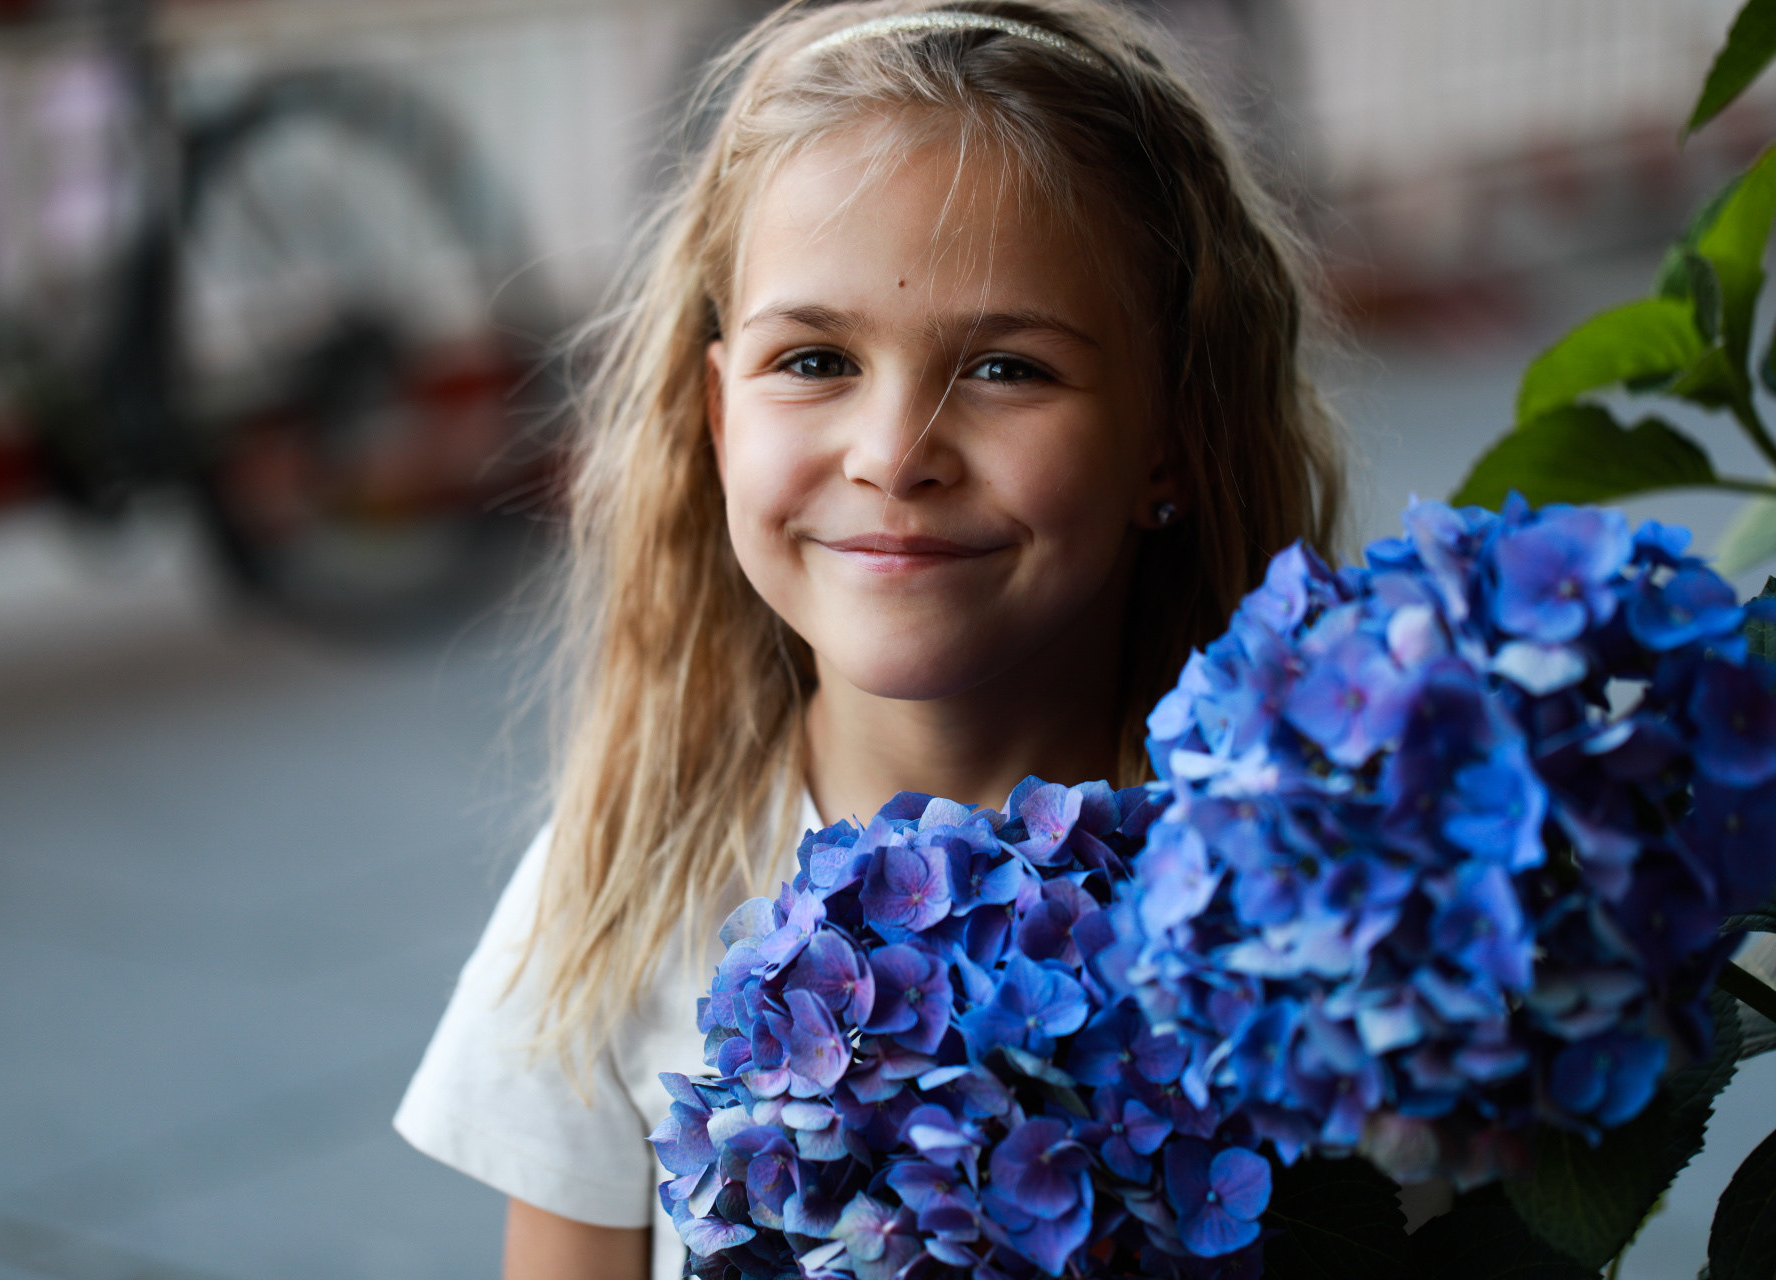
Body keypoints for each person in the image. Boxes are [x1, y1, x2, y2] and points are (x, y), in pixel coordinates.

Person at [394, 1, 1347, 1276]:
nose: (894, 454)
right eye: (817, 358)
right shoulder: (618, 891)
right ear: (717, 417)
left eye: (1008, 368)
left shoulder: (1310, 892)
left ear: (1171, 432)